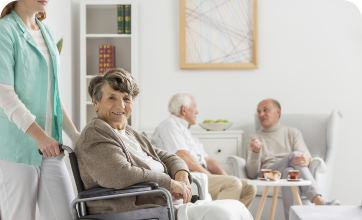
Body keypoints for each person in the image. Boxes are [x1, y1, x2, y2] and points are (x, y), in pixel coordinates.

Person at [74, 68, 253, 220]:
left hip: (165, 203)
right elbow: (119, 175)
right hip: (138, 210)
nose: (120, 105)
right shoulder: (96, 133)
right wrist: (171, 184)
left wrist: (182, 177)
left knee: (238, 209)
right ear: (96, 102)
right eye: (112, 98)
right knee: (222, 213)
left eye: (127, 99)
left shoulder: (129, 132)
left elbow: (167, 156)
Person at [0, 1, 80, 220]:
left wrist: (75, 135)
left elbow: (52, 94)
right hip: (17, 149)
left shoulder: (46, 32)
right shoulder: (4, 30)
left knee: (65, 214)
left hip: (51, 147)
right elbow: (4, 94)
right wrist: (40, 137)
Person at [151, 93, 256, 209]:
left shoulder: (187, 132)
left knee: (249, 186)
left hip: (200, 172)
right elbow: (182, 156)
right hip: (187, 175)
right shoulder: (169, 125)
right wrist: (208, 175)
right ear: (184, 110)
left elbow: (208, 160)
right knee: (233, 184)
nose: (197, 112)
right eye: (195, 107)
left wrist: (225, 176)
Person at [246, 99, 340, 220]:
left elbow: (305, 155)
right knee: (294, 155)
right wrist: (255, 152)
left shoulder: (292, 132)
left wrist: (306, 158)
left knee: (289, 172)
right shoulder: (254, 138)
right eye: (258, 111)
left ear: (277, 112)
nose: (261, 114)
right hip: (267, 174)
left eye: (265, 110)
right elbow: (252, 173)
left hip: (286, 172)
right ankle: (319, 201)